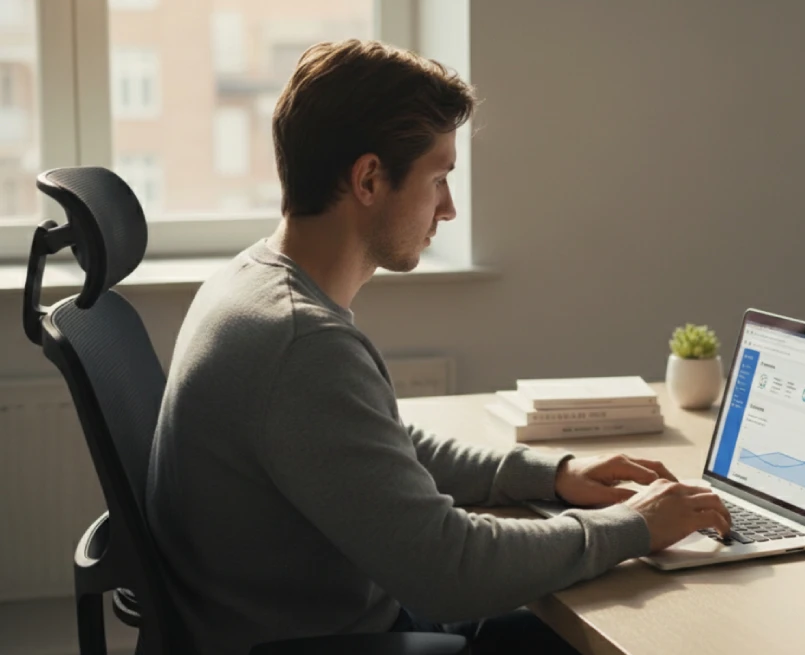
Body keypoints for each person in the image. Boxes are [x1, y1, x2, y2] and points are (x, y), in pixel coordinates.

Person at [145, 39, 732, 655]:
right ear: (369, 178)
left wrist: (552, 476)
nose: (448, 209)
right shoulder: (302, 345)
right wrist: (635, 525)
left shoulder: (249, 280)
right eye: (439, 178)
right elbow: (452, 570)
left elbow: (379, 446)